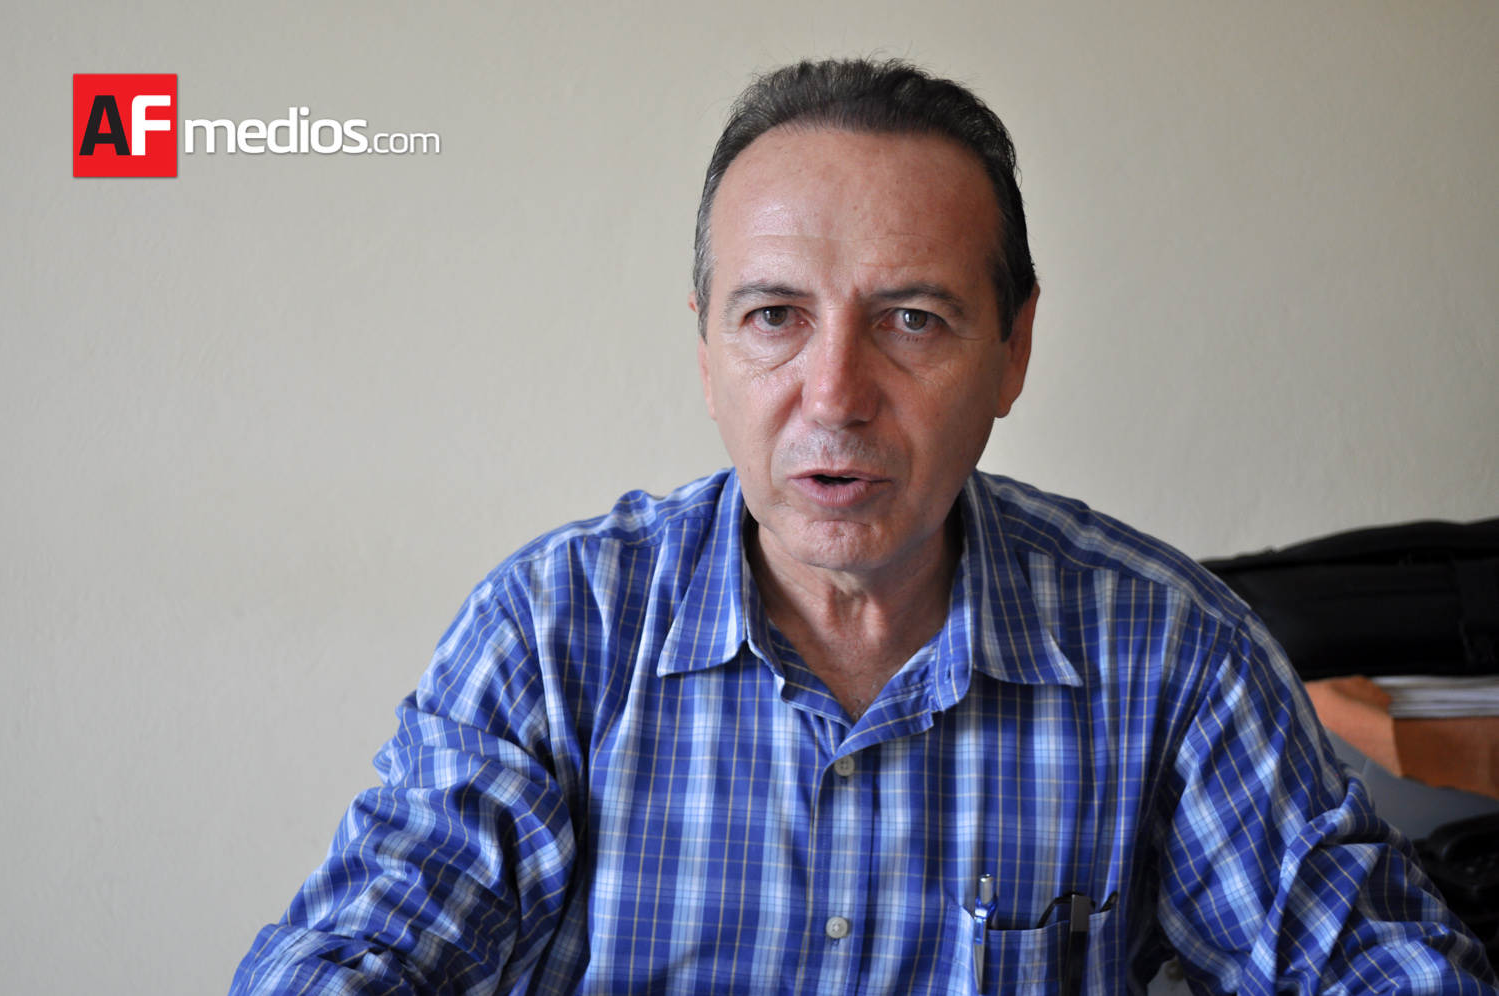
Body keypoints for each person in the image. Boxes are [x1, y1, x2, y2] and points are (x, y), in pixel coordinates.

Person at [230, 58, 1495, 996]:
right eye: (775, 317)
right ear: (709, 350)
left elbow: (1381, 966)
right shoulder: (554, 634)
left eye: (912, 320)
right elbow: (356, 952)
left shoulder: (1172, 654)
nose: (833, 396)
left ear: (1013, 353)